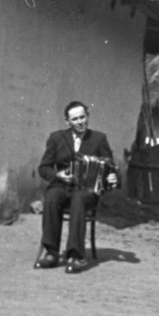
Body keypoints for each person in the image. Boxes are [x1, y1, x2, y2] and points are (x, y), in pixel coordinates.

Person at [35, 101, 117, 274]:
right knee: (51, 197)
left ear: (87, 116)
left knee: (79, 200)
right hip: (62, 185)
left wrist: (113, 177)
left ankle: (75, 255)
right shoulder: (56, 138)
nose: (80, 122)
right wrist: (57, 175)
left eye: (82, 117)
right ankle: (51, 253)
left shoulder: (99, 139)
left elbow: (111, 167)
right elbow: (44, 168)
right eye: (75, 119)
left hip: (87, 190)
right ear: (67, 121)